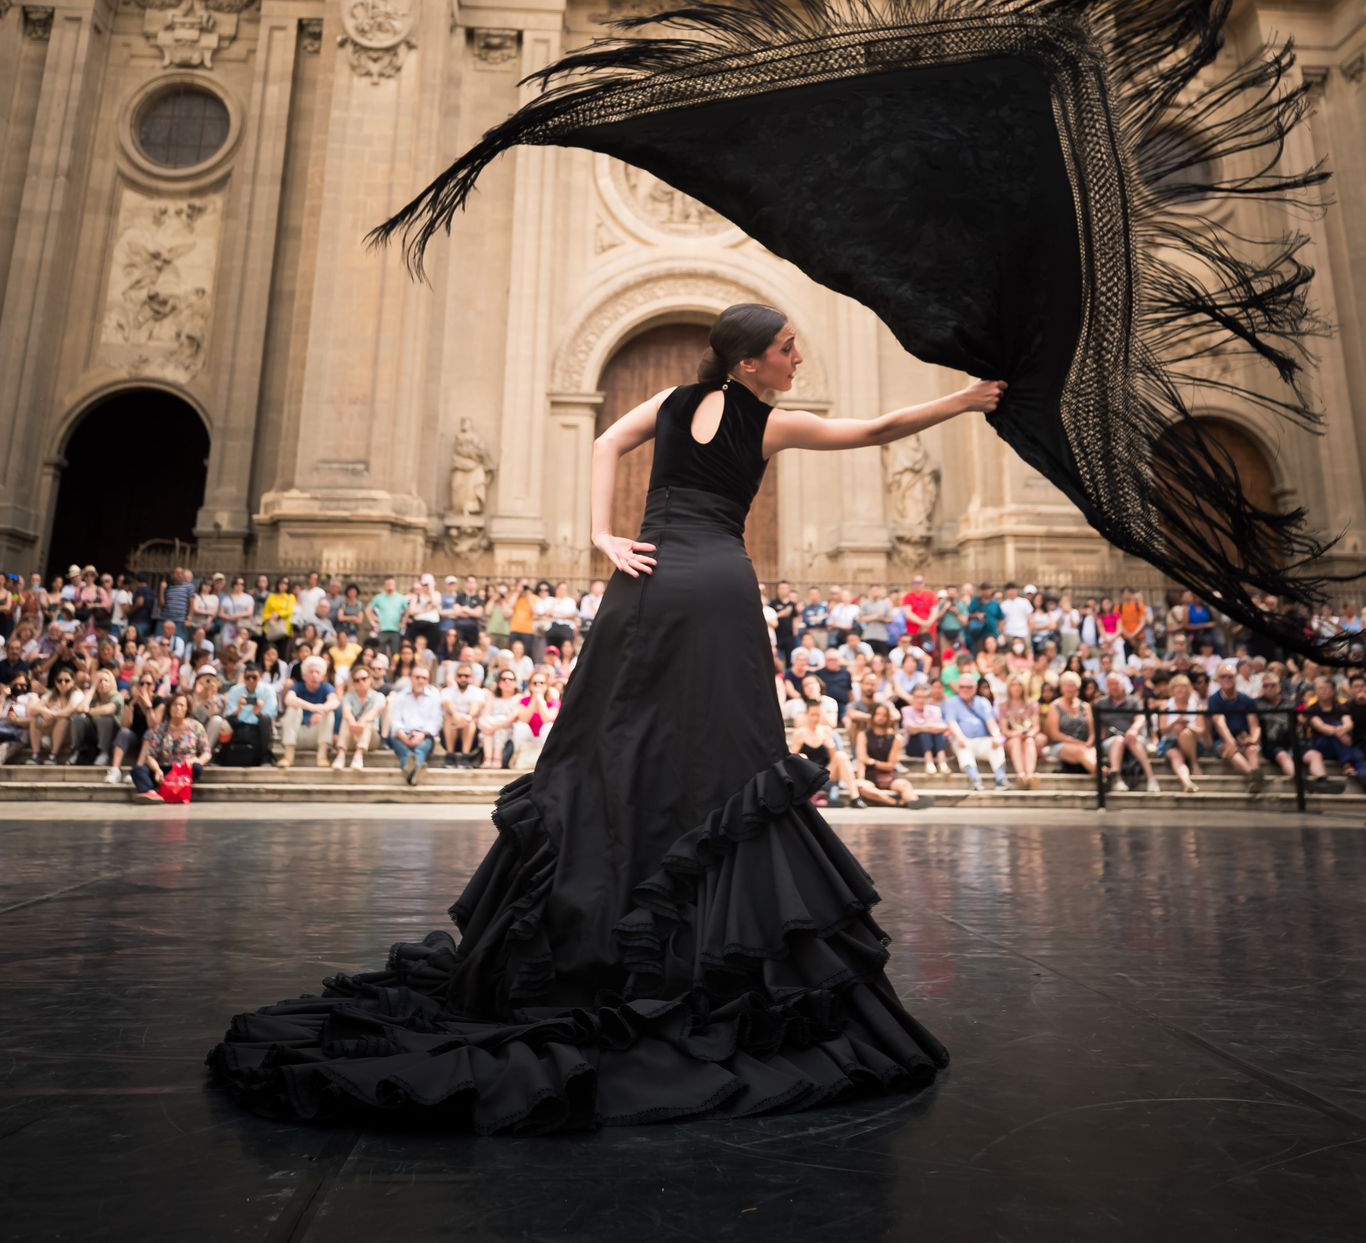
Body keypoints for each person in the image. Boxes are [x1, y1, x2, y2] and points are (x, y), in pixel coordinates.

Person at [213, 302, 1003, 1127]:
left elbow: (601, 443)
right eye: (785, 349)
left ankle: (595, 926)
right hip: (717, 589)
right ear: (748, 364)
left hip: (646, 583)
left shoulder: (667, 406)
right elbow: (878, 428)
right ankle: (710, 944)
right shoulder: (767, 426)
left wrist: (604, 536)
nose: (796, 359)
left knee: (613, 748)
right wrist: (962, 401)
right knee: (727, 762)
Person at [384, 664, 443, 784]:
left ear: (428, 680)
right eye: (417, 677)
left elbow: (436, 721)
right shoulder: (400, 697)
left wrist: (421, 735)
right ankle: (417, 770)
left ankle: (410, 768)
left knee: (420, 749)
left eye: (424, 678)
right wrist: (404, 737)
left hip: (424, 736)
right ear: (411, 678)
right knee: (405, 750)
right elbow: (395, 720)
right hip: (402, 735)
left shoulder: (434, 697)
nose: (420, 681)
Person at [854, 702, 915, 807]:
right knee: (861, 787)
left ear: (888, 718)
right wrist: (861, 778)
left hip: (890, 776)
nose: (880, 718)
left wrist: (873, 762)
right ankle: (895, 803)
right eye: (878, 714)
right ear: (873, 716)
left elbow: (891, 765)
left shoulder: (896, 738)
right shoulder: (863, 735)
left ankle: (913, 801)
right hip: (870, 776)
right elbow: (862, 759)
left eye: (884, 715)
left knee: (905, 785)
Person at [1043, 672, 1096, 777]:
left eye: (1072, 685)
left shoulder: (1085, 706)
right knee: (1080, 752)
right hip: (1061, 745)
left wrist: (1089, 742)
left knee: (1089, 752)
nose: (1070, 689)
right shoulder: (1055, 706)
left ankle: (1099, 772)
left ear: (1077, 687)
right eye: (1067, 685)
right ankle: (1102, 773)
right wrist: (1078, 743)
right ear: (1061, 688)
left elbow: (1092, 731)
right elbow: (1054, 734)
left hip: (1085, 745)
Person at [332, 666, 384, 770]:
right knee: (347, 719)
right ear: (353, 683)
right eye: (357, 680)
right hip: (351, 736)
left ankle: (358, 755)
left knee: (368, 720)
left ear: (370, 679)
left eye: (364, 679)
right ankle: (341, 755)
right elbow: (346, 712)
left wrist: (361, 722)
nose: (361, 682)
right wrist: (353, 723)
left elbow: (374, 712)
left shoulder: (379, 696)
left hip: (371, 739)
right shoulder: (349, 696)